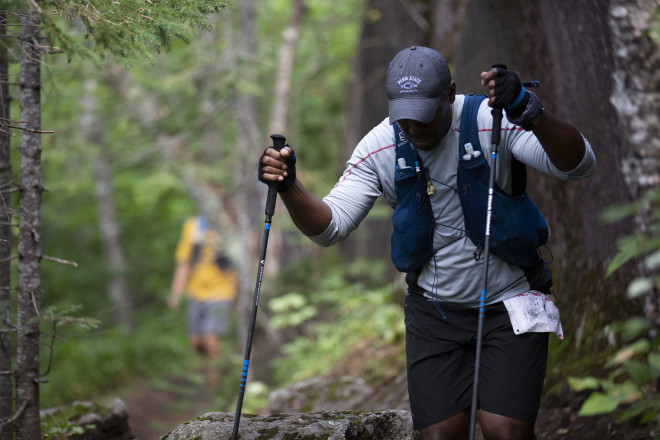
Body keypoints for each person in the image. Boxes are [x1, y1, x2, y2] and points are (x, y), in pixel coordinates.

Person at [258, 46, 596, 440]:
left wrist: (529, 110)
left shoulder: (492, 120)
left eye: (424, 115)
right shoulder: (380, 145)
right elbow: (330, 227)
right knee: (439, 436)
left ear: (450, 93)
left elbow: (579, 165)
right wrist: (289, 188)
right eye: (405, 118)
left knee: (505, 432)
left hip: (511, 302)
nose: (414, 128)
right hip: (434, 314)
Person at [168, 216, 238, 386]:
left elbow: (242, 259)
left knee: (210, 338)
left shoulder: (229, 222)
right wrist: (176, 293)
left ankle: (215, 385)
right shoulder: (193, 226)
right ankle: (216, 363)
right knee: (196, 342)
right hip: (196, 292)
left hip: (222, 290)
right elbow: (183, 263)